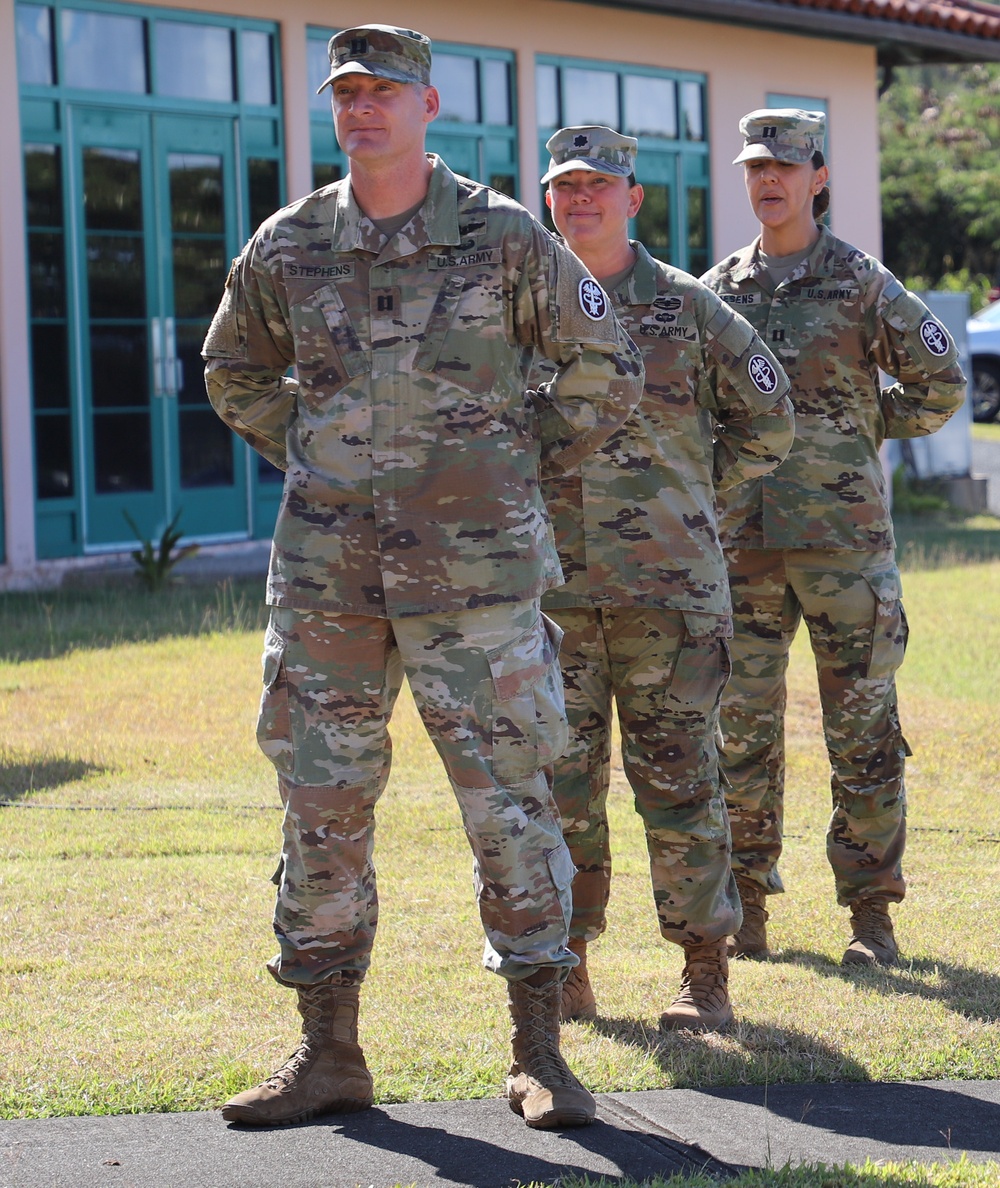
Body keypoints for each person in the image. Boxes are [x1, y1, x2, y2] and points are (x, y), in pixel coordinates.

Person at [202, 25, 644, 1131]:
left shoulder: (501, 238)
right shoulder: (291, 242)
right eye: (345, 91)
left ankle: (541, 1053)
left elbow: (605, 369)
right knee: (320, 808)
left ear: (427, 105)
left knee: (509, 809)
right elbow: (234, 369)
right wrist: (323, 459)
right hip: (328, 581)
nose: (361, 108)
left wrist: (504, 467)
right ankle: (326, 1054)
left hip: (477, 580)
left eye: (382, 91)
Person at [533, 126, 794, 1031]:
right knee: (560, 787)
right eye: (565, 187)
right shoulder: (520, 308)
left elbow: (769, 417)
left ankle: (703, 970)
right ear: (548, 198)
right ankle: (566, 964)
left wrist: (692, 503)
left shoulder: (688, 307)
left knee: (682, 783)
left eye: (599, 186)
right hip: (554, 597)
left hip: (671, 600)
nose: (581, 201)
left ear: (633, 198)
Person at [700, 109, 965, 966]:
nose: (768, 178)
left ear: (818, 176)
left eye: (786, 164)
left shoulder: (860, 281)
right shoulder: (718, 289)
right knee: (740, 733)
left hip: (844, 545)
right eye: (754, 166)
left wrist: (861, 427)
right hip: (744, 547)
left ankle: (871, 917)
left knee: (863, 730)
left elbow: (940, 380)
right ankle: (748, 910)